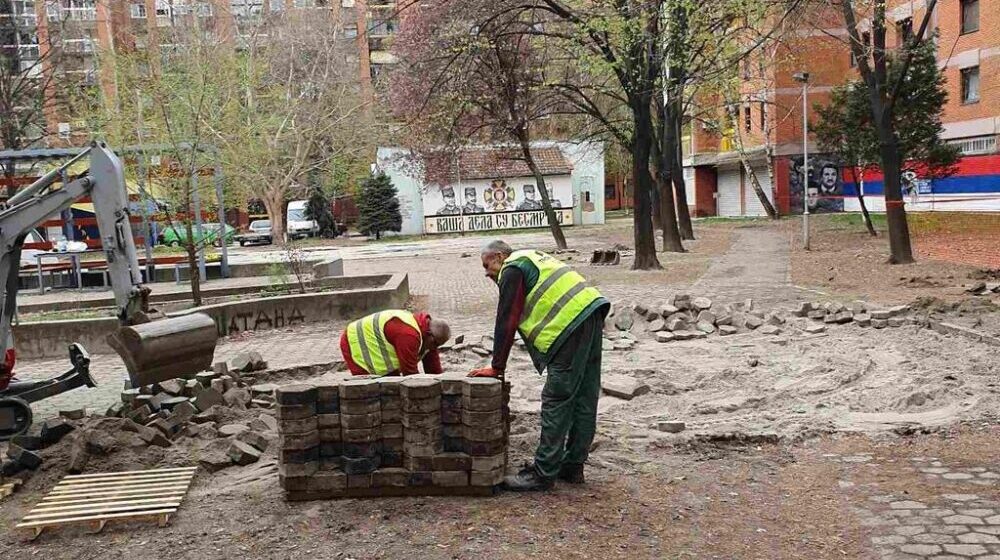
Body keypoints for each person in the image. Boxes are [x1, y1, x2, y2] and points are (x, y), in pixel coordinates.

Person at [470, 240, 610, 491]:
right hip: (591, 313)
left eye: (487, 265)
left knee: (557, 397)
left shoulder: (512, 268)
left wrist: (497, 366)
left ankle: (543, 473)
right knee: (584, 397)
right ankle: (573, 466)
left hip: (569, 326)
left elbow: (507, 318)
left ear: (500, 256)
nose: (486, 272)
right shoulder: (532, 257)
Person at [340, 310, 451, 377]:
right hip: (354, 342)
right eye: (436, 345)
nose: (435, 349)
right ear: (430, 335)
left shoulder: (428, 335)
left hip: (376, 345)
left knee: (392, 386)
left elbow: (433, 370)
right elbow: (410, 375)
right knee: (367, 391)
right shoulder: (409, 335)